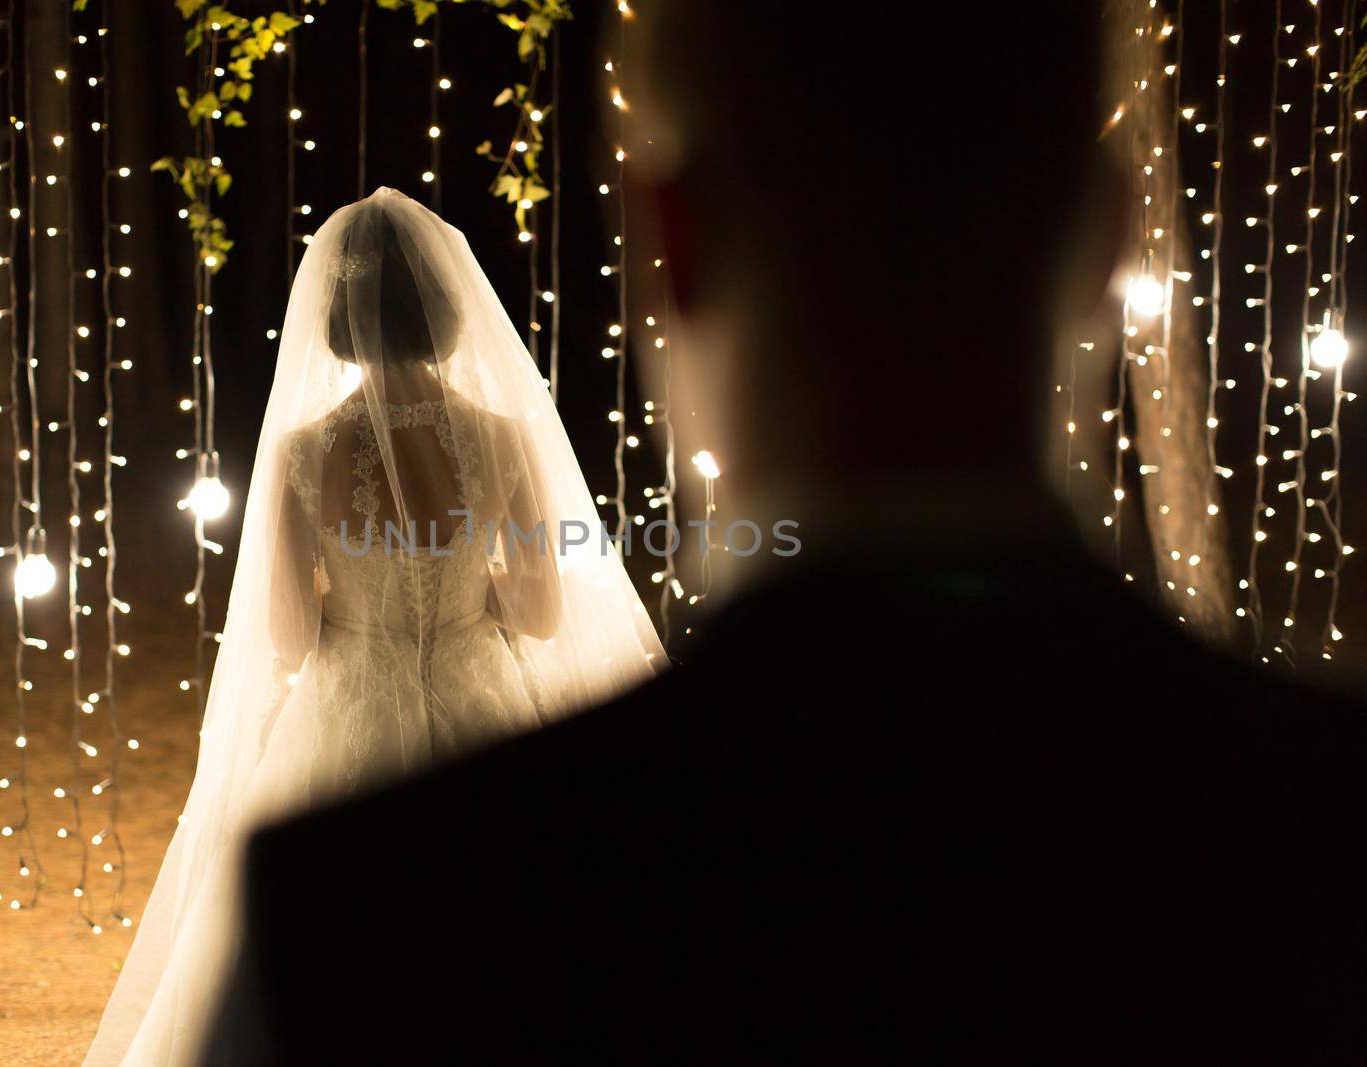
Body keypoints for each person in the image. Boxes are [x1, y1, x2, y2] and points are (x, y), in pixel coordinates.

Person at [204, 3, 1367, 1062]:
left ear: (678, 238)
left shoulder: (345, 905)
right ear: (1113, 236)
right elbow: (547, 599)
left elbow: (293, 631)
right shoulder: (1321, 821)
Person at [84, 189, 666, 1066]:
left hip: (348, 708)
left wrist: (358, 594)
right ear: (446, 309)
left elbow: (284, 635)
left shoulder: (302, 451)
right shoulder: (506, 437)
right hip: (484, 711)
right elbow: (544, 614)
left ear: (338, 315)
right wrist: (468, 593)